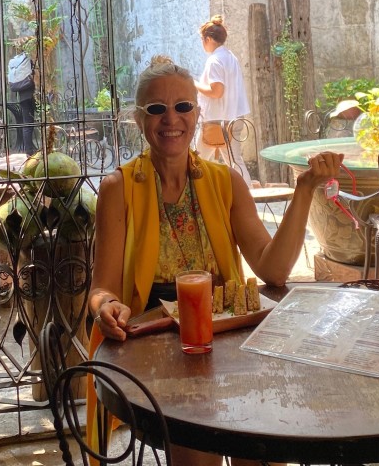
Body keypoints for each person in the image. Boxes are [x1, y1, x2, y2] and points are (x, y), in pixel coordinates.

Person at [88, 55, 343, 466]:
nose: (171, 119)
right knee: (198, 452)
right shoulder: (118, 188)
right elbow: (102, 289)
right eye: (157, 109)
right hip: (156, 344)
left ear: (197, 112)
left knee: (263, 448)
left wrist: (304, 189)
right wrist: (107, 307)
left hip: (226, 339)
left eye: (183, 106)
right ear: (139, 120)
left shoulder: (226, 182)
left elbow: (272, 269)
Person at [194, 15, 253, 186]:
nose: (202, 43)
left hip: (218, 120)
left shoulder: (214, 60)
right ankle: (249, 198)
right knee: (235, 161)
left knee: (196, 160)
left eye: (202, 40)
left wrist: (195, 84)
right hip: (234, 115)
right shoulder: (230, 56)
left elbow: (217, 91)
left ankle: (192, 196)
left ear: (209, 39)